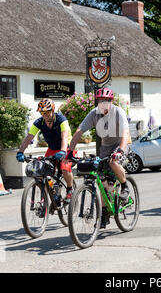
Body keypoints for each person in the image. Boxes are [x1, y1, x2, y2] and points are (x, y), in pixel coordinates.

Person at [67, 87, 130, 228]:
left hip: (121, 144)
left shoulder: (118, 112)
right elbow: (80, 131)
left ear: (111, 102)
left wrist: (120, 150)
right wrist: (70, 151)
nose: (103, 104)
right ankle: (105, 213)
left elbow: (125, 133)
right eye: (100, 101)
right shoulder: (94, 114)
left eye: (106, 101)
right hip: (105, 148)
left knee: (114, 162)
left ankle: (125, 186)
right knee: (102, 182)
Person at [16, 98, 74, 202]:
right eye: (43, 113)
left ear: (53, 110)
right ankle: (52, 194)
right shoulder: (39, 122)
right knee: (43, 171)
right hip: (52, 149)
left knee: (65, 168)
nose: (45, 115)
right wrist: (20, 152)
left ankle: (70, 189)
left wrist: (63, 151)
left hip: (66, 148)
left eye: (47, 112)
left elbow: (64, 137)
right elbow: (29, 137)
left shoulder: (61, 119)